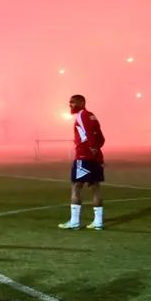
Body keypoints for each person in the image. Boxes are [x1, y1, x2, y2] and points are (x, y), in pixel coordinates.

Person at [60, 94, 106, 230]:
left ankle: (74, 222)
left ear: (81, 103)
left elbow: (89, 133)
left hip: (83, 157)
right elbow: (101, 137)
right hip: (96, 158)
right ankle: (98, 222)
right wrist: (96, 149)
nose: (70, 105)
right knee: (95, 188)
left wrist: (91, 147)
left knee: (76, 186)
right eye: (70, 102)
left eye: (73, 102)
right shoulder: (92, 115)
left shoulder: (82, 115)